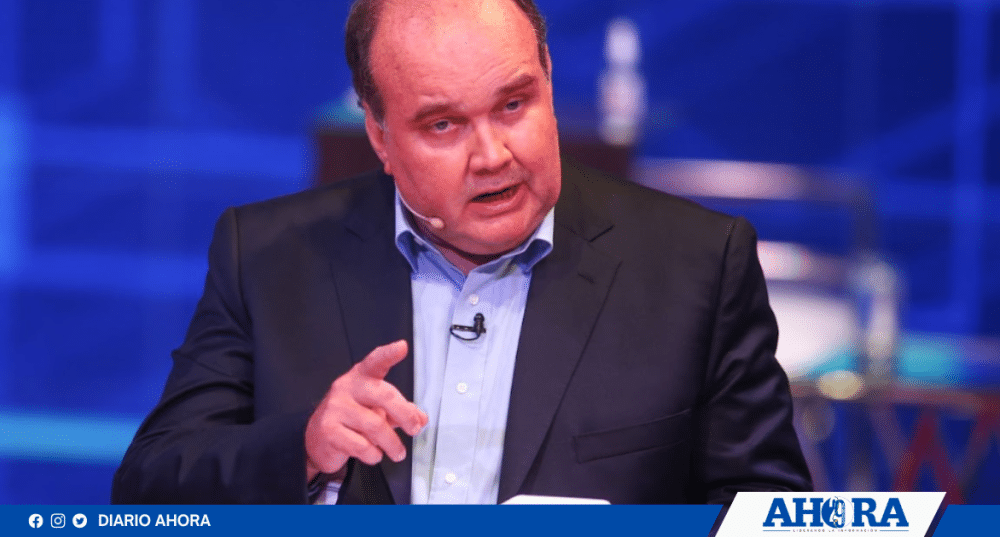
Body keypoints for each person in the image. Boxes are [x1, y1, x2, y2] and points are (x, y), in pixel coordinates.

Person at [112, 0, 812, 504]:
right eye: (443, 125)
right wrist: (305, 449)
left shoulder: (699, 266)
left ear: (548, 80)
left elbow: (768, 517)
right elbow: (148, 490)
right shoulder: (268, 256)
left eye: (513, 105)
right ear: (380, 135)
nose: (493, 155)